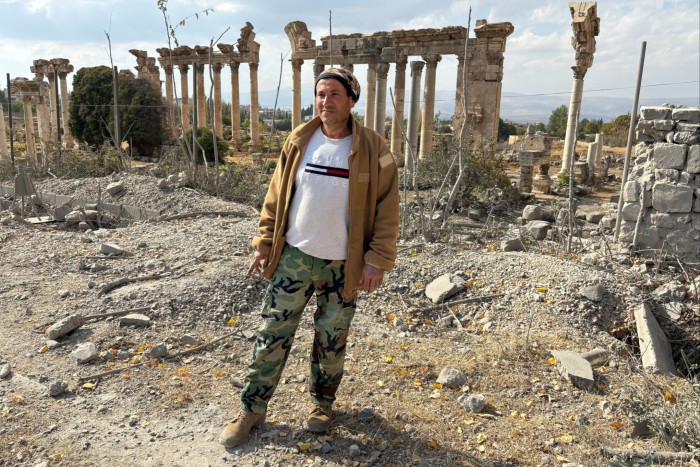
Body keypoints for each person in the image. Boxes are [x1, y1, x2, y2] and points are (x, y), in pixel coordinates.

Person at [219, 67, 399, 447]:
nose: (325, 102)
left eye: (334, 94)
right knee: (272, 334)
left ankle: (322, 404)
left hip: (343, 265)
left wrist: (377, 259)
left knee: (331, 339)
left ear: (352, 100)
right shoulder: (299, 140)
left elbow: (387, 209)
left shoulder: (374, 149)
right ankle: (252, 408)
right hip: (295, 257)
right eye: (320, 94)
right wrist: (264, 243)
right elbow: (276, 197)